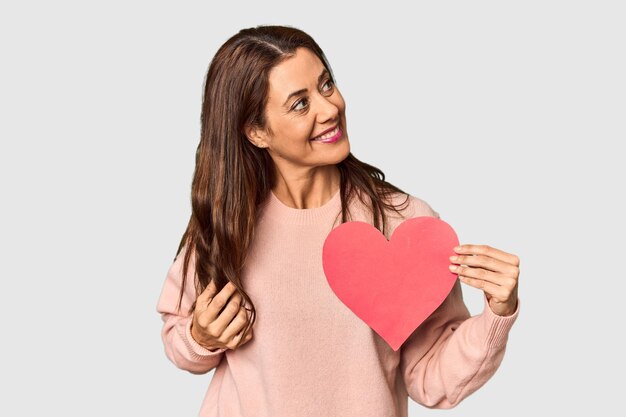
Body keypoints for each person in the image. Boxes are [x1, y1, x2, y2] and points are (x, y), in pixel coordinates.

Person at [156, 24, 521, 417]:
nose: (330, 109)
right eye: (300, 103)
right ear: (257, 132)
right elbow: (180, 339)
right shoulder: (228, 223)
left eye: (326, 85)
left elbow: (430, 379)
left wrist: (497, 315)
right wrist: (200, 338)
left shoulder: (405, 223)